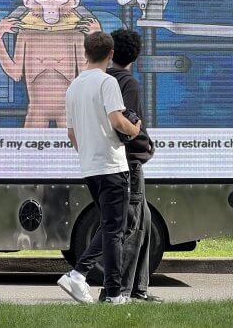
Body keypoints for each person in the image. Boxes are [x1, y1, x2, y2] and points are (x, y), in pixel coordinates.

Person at [57, 31, 141, 304]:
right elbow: (117, 120)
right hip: (112, 164)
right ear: (111, 54)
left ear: (85, 53)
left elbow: (71, 133)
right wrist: (135, 128)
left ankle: (84, 278)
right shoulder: (107, 83)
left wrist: (88, 152)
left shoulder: (73, 86)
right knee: (114, 229)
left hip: (90, 167)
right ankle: (106, 289)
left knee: (109, 226)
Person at [105, 28, 162, 303]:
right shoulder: (128, 83)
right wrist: (146, 146)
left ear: (111, 52)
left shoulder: (105, 80)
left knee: (145, 223)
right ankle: (121, 292)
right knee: (133, 228)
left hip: (116, 162)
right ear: (136, 56)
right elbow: (129, 127)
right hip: (130, 164)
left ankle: (139, 289)